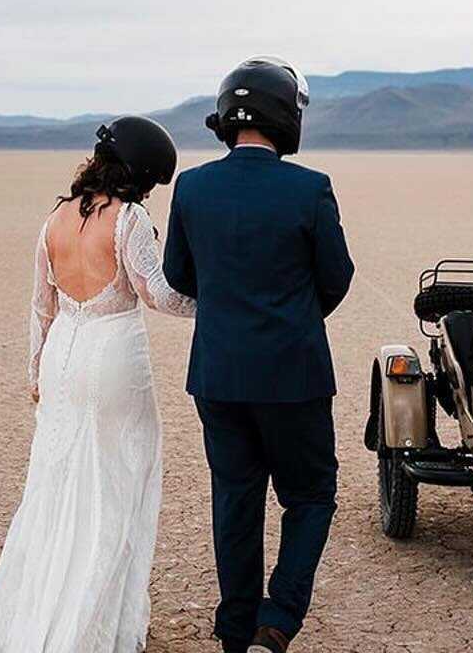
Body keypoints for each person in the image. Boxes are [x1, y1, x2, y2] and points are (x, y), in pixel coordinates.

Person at [0, 115, 195, 653]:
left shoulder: (55, 218)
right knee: (117, 483)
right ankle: (93, 624)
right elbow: (157, 293)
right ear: (139, 175)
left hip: (63, 356)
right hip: (113, 358)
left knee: (55, 488)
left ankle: (39, 608)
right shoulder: (128, 220)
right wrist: (213, 305)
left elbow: (42, 305)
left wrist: (36, 371)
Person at [162, 57, 355, 653]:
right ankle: (278, 617)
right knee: (311, 494)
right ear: (285, 115)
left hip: (218, 374)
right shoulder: (309, 187)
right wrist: (292, 318)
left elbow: (177, 275)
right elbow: (336, 277)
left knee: (236, 498)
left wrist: (230, 309)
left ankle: (234, 628)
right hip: (294, 375)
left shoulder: (191, 186)